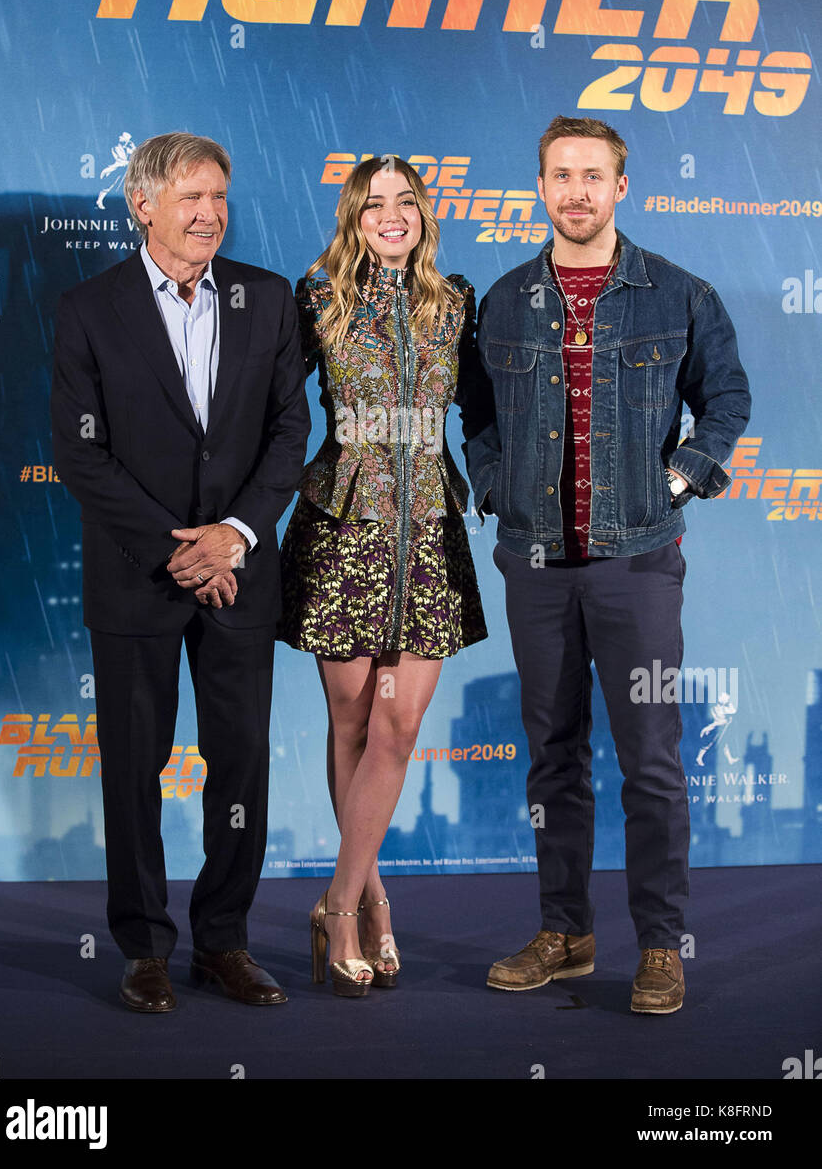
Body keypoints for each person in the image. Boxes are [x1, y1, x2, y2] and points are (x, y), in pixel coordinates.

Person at [463, 116, 750, 1014]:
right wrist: (497, 488)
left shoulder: (679, 294)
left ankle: (660, 945)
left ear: (622, 187)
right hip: (537, 564)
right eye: (560, 175)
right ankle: (568, 933)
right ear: (540, 187)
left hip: (638, 561)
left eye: (594, 175)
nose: (577, 191)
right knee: (552, 758)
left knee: (652, 760)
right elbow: (477, 417)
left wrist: (679, 479)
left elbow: (728, 398)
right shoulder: (505, 300)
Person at [51, 132, 309, 1012]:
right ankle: (144, 947)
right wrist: (178, 551)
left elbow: (288, 434)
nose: (209, 214)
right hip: (136, 581)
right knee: (132, 767)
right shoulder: (88, 309)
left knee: (240, 767)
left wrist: (233, 536)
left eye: (219, 197)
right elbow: (82, 459)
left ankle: (224, 943)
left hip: (240, 576)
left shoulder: (268, 300)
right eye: (192, 196)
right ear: (143, 204)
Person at [279, 155, 487, 996]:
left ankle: (338, 904)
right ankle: (369, 903)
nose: (391, 216)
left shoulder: (453, 304)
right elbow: (269, 408)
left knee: (398, 731)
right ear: (353, 216)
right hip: (345, 536)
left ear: (425, 212)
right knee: (355, 723)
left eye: (405, 201)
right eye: (374, 204)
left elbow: (490, 409)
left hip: (429, 538)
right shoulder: (318, 300)